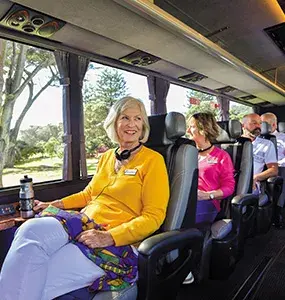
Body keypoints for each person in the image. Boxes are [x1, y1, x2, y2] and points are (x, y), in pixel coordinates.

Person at [0, 97, 170, 300]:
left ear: (143, 126)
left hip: (113, 240)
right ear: (114, 122)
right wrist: (52, 204)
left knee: (35, 280)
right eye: (125, 117)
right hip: (82, 224)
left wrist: (109, 237)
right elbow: (88, 194)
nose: (131, 124)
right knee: (29, 230)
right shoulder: (107, 157)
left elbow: (153, 217)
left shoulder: (153, 161)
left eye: (138, 119)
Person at [187, 112, 235, 225]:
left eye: (192, 127)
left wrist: (208, 195)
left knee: (183, 219)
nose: (188, 131)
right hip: (187, 199)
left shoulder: (221, 156)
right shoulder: (187, 154)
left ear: (204, 129)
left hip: (207, 202)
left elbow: (229, 187)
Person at [242, 113, 278, 194]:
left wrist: (256, 177)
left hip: (252, 185)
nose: (258, 126)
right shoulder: (234, 144)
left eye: (260, 123)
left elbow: (274, 169)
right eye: (254, 123)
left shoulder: (267, 144)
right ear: (243, 125)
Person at [261, 112, 285, 227]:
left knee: (281, 173)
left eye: (264, 124)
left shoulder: (283, 138)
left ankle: (278, 211)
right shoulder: (257, 140)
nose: (261, 127)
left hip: (280, 167)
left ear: (274, 125)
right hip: (263, 167)